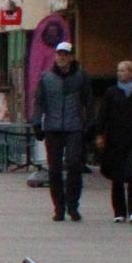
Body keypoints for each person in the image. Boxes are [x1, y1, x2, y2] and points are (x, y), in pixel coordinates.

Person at [35, 40, 94, 222]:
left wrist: (90, 124)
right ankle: (59, 208)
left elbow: (88, 101)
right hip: (53, 127)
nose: (61, 57)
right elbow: (39, 102)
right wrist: (37, 123)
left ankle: (72, 205)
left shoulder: (81, 77)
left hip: (74, 126)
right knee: (54, 169)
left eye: (65, 54)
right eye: (59, 54)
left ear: (71, 57)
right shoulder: (46, 77)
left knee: (74, 165)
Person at [95, 59, 132, 223]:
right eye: (119, 70)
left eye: (124, 70)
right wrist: (100, 134)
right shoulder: (111, 92)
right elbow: (103, 114)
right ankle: (119, 212)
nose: (121, 73)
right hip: (115, 139)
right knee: (117, 176)